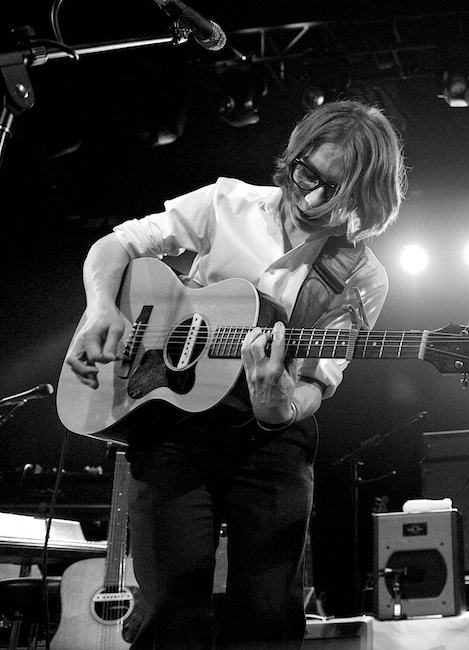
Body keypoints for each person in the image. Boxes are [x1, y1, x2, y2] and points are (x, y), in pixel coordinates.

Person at [65, 100, 407, 649]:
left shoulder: (361, 274)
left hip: (270, 445)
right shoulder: (227, 202)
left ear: (365, 197)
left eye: (335, 191)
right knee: (170, 612)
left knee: (266, 618)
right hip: (173, 429)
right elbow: (117, 245)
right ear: (293, 157)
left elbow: (318, 380)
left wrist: (283, 407)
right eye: (307, 175)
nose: (313, 198)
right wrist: (102, 307)